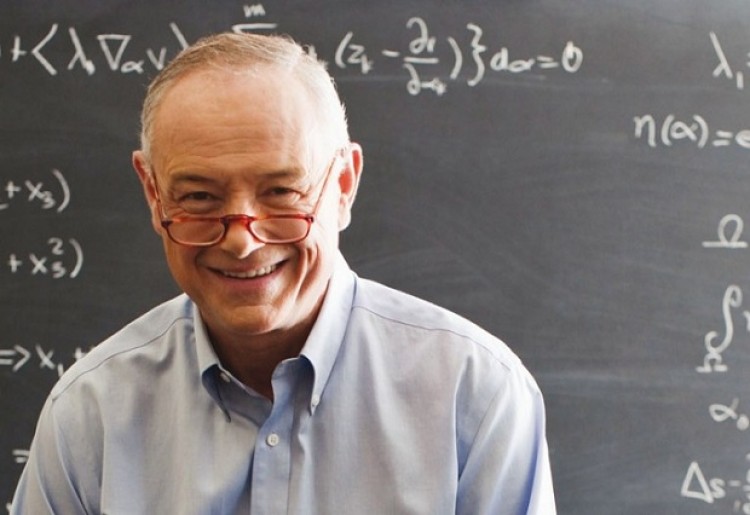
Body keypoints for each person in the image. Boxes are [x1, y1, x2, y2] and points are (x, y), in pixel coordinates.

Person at [11, 32, 555, 514]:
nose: (242, 240)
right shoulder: (90, 416)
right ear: (154, 195)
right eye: (199, 197)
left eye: (281, 192)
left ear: (343, 186)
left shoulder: (473, 396)